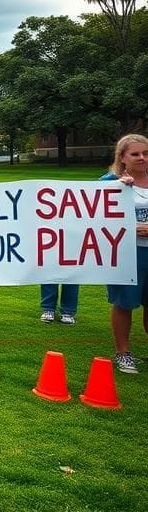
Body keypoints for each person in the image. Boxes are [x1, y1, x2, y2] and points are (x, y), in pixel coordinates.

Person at [100, 133, 148, 374]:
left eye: (146, 153)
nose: (142, 158)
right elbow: (91, 215)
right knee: (124, 304)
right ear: (122, 157)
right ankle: (123, 353)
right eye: (135, 154)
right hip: (127, 254)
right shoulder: (111, 181)